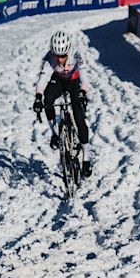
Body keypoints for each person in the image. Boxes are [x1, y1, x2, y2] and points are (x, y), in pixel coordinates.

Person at [32, 30, 92, 178]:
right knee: (47, 100)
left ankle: (86, 158)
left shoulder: (77, 54)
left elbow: (84, 78)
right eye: (57, 56)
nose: (59, 60)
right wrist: (38, 97)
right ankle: (54, 134)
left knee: (79, 118)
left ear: (69, 50)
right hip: (58, 80)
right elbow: (42, 79)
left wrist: (83, 93)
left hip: (74, 82)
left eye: (63, 56)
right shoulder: (48, 58)